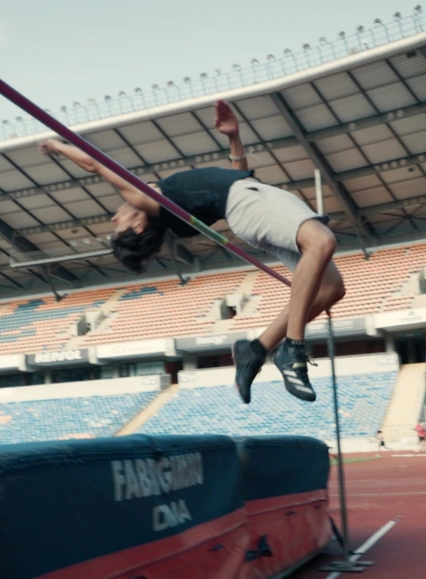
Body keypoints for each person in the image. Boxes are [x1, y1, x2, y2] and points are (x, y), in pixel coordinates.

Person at [39, 100, 345, 403]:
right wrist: (57, 146)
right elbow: (95, 164)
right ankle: (291, 349)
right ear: (138, 228)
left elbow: (235, 177)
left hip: (251, 200)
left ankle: (255, 350)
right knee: (321, 241)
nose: (113, 217)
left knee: (332, 289)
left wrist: (233, 138)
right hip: (251, 202)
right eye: (118, 226)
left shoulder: (178, 209)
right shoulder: (150, 200)